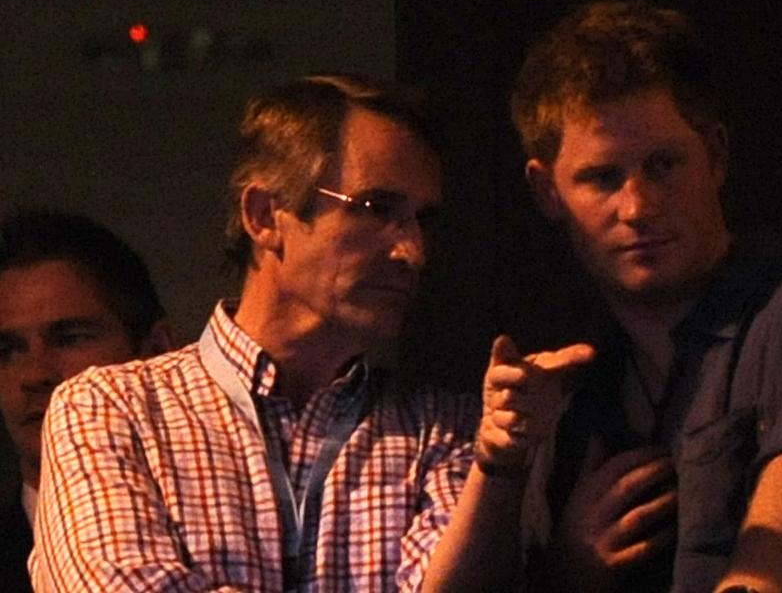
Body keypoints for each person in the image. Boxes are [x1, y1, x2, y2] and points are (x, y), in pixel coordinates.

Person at [472, 0, 782, 592]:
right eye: (602, 178)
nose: (638, 208)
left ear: (717, 155)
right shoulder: (577, 405)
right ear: (548, 192)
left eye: (665, 165)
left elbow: (776, 567)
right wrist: (566, 566)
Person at [30, 75, 478, 592]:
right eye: (377, 210)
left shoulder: (444, 430)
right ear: (265, 216)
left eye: (424, 220)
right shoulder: (111, 409)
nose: (412, 252)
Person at [0, 209, 171, 593]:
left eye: (70, 338)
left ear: (156, 351)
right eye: (7, 350)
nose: (34, 374)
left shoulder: (226, 534)